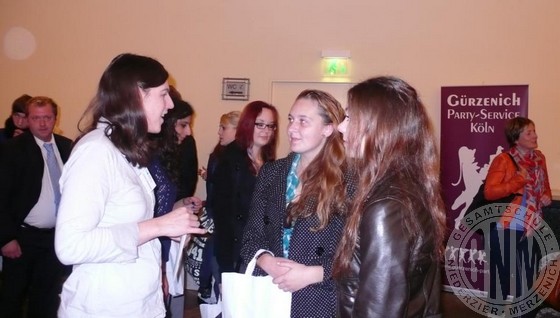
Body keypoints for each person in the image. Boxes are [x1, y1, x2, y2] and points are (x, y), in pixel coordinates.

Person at [54, 53, 206, 318]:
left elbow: (127, 226)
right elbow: (70, 245)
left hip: (136, 302)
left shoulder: (125, 150)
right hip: (103, 306)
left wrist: (161, 239)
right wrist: (158, 226)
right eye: (163, 94)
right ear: (138, 95)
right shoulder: (96, 152)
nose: (169, 105)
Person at [334, 76, 446, 317]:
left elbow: (378, 310)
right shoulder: (409, 187)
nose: (340, 127)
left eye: (350, 117)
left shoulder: (387, 206)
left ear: (382, 125)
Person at [240, 90, 351, 317]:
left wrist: (313, 274)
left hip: (320, 299)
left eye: (303, 121)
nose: (291, 128)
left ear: (328, 129)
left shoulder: (349, 180)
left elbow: (359, 256)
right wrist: (265, 260)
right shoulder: (272, 172)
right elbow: (251, 236)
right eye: (291, 119)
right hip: (271, 294)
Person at [0, 96, 73, 318]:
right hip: (22, 238)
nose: (42, 123)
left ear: (55, 118)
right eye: (36, 118)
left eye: (47, 118)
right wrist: (5, 238)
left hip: (55, 238)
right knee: (13, 296)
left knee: (47, 297)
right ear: (27, 120)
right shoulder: (12, 149)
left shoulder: (67, 146)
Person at [485, 117, 552, 312]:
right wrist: (517, 181)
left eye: (534, 131)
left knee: (529, 279)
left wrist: (546, 195)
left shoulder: (540, 158)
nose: (535, 135)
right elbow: (490, 192)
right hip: (506, 227)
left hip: (532, 226)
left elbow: (544, 186)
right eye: (529, 133)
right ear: (516, 138)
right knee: (502, 278)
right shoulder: (503, 160)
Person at [148, 93, 202, 317]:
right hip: (153, 248)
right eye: (183, 125)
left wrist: (182, 203)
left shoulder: (165, 158)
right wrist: (159, 269)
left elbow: (164, 206)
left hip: (164, 247)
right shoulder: (150, 159)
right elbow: (149, 216)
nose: (188, 132)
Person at [212, 101, 279, 277]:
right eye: (260, 124)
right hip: (235, 249)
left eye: (271, 126)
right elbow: (222, 214)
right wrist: (225, 265)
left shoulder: (270, 161)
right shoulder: (229, 159)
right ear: (248, 124)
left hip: (261, 248)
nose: (266, 130)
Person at [197, 110, 240, 301]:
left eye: (224, 128)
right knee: (212, 253)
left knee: (216, 256)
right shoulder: (218, 153)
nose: (219, 132)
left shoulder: (241, 157)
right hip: (215, 213)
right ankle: (208, 290)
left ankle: (211, 291)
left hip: (227, 219)